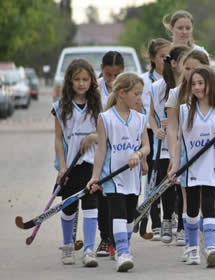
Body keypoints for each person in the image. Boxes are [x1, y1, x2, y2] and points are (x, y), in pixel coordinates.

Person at [87, 73, 150, 272]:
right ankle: (122, 253)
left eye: (141, 94)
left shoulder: (140, 118)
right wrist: (95, 176)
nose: (139, 98)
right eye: (136, 94)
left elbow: (147, 146)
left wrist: (138, 155)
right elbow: (101, 149)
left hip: (131, 177)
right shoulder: (105, 118)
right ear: (122, 93)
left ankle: (122, 245)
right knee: (118, 213)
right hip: (112, 176)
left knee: (130, 216)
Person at [168, 66, 215, 268]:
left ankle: (211, 247)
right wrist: (175, 165)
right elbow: (179, 140)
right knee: (192, 209)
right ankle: (192, 247)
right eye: (193, 84)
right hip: (190, 168)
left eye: (200, 83)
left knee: (209, 207)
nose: (196, 87)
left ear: (210, 84)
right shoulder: (185, 110)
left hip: (211, 166)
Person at [52, 59, 102, 267]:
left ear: (91, 81)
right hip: (70, 166)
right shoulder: (61, 107)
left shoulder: (97, 106)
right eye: (77, 80)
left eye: (85, 79)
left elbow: (105, 134)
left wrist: (93, 136)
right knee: (69, 207)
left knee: (91, 205)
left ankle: (89, 249)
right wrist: (62, 167)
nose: (81, 84)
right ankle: (67, 246)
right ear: (69, 82)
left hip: (91, 164)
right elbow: (58, 139)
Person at [164, 49, 210, 261]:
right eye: (187, 68)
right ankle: (191, 243)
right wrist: (174, 157)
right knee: (188, 197)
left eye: (196, 68)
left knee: (208, 198)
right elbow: (172, 127)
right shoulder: (176, 93)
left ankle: (208, 241)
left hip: (209, 154)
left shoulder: (212, 91)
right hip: (185, 152)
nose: (191, 72)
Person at [149, 45, 189, 243]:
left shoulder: (192, 86)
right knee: (166, 182)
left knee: (182, 183)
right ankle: (166, 221)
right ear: (173, 63)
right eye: (184, 62)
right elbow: (150, 114)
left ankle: (182, 224)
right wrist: (156, 127)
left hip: (185, 143)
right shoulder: (157, 87)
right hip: (165, 143)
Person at [96, 51, 125, 258]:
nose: (113, 80)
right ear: (101, 70)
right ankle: (105, 238)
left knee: (120, 198)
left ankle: (118, 239)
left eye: (117, 75)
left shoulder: (129, 87)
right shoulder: (94, 89)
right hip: (100, 149)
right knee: (101, 198)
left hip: (123, 151)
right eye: (108, 75)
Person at [140, 39, 171, 215]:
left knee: (168, 175)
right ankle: (153, 216)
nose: (165, 60)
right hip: (150, 133)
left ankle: (170, 215)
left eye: (168, 56)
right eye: (161, 56)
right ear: (152, 58)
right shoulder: (144, 80)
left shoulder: (174, 79)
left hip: (170, 133)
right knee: (153, 175)